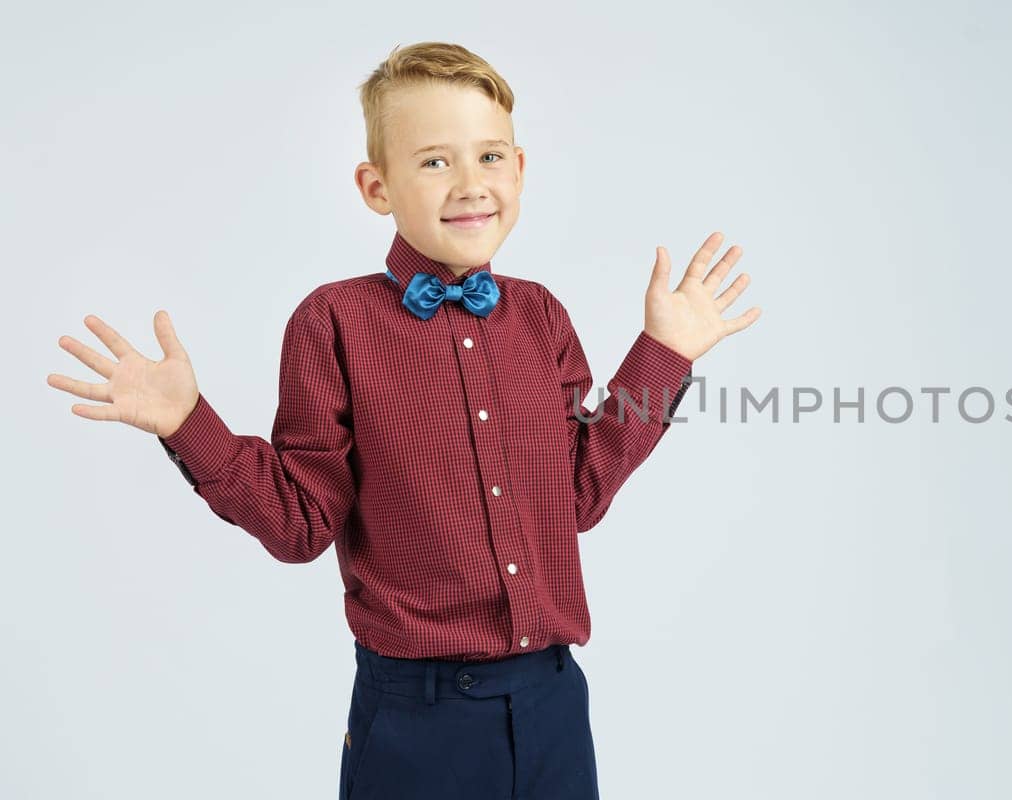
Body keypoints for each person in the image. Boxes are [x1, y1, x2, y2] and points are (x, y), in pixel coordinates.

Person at [44, 40, 759, 800]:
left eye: (489, 157)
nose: (469, 185)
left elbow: (576, 494)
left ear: (520, 170)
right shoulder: (331, 323)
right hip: (416, 723)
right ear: (375, 186)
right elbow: (299, 523)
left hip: (552, 704)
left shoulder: (543, 316)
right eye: (433, 162)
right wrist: (189, 421)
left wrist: (663, 356)